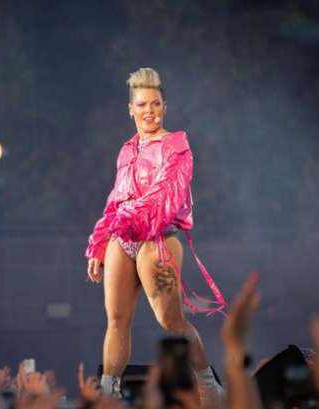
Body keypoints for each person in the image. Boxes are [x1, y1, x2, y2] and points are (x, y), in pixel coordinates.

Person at [85, 67, 226, 398]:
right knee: (116, 320)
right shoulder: (127, 150)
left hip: (157, 238)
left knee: (170, 320)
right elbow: (115, 200)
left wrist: (124, 219)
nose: (149, 111)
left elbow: (165, 196)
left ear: (164, 107)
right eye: (142, 104)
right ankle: (108, 394)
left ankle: (209, 387)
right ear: (130, 109)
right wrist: (99, 243)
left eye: (155, 104)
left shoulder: (175, 146)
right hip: (123, 238)